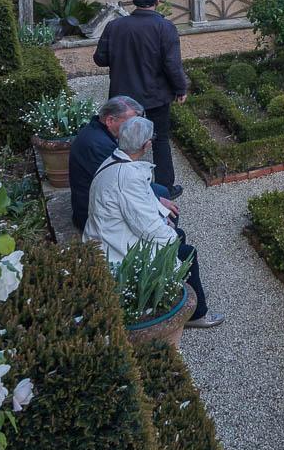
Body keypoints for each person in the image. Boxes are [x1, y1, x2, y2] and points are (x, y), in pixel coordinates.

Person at [83, 116, 222, 329]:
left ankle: (175, 289)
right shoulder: (127, 176)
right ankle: (196, 314)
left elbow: (138, 202)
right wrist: (170, 231)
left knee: (178, 234)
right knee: (187, 253)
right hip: (115, 250)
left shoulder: (115, 160)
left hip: (111, 235)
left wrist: (164, 215)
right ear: (147, 145)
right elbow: (146, 226)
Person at [93, 0, 188, 195]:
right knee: (160, 139)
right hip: (155, 96)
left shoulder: (115, 26)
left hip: (123, 100)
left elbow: (100, 59)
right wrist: (181, 88)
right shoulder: (165, 27)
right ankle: (165, 188)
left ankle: (120, 185)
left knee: (121, 141)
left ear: (135, 2)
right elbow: (172, 65)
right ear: (157, 2)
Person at [68, 96, 178, 232]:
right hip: (93, 215)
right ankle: (169, 246)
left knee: (162, 191)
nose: (135, 127)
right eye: (131, 122)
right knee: (168, 208)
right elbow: (122, 185)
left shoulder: (98, 132)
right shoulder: (99, 145)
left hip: (98, 198)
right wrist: (157, 206)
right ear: (110, 120)